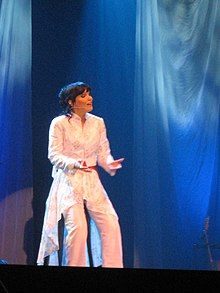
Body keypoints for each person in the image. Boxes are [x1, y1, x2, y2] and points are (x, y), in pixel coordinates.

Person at [37, 81, 124, 268]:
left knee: (111, 223)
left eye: (89, 93)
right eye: (83, 95)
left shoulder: (98, 122)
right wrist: (74, 163)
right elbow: (54, 154)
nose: (89, 98)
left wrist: (109, 163)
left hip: (92, 179)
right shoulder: (59, 123)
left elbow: (103, 152)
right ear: (71, 102)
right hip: (69, 180)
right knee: (78, 228)